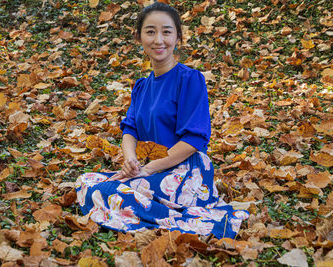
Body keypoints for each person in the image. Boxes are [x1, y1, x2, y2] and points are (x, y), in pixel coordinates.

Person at [75, 2, 249, 239]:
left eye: (167, 32)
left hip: (187, 170)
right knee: (87, 181)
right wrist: (131, 162)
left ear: (178, 37)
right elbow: (130, 130)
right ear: (139, 37)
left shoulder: (190, 79)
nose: (159, 40)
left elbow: (194, 139)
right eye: (150, 31)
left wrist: (148, 169)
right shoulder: (141, 86)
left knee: (113, 191)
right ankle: (144, 208)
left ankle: (156, 211)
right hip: (149, 168)